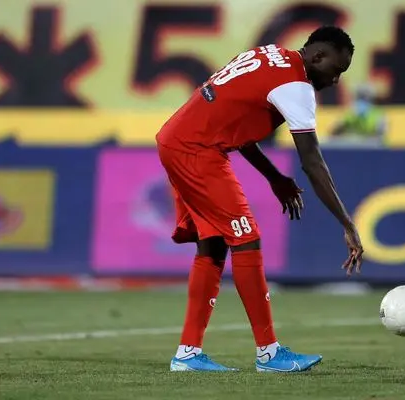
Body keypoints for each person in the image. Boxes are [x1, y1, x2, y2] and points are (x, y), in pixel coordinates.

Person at [155, 26, 364, 373]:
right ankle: (269, 353)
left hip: (181, 140)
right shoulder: (296, 86)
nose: (336, 80)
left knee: (214, 244)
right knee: (246, 238)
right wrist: (347, 223)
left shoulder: (270, 54)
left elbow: (237, 122)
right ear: (318, 56)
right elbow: (313, 162)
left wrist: (274, 178)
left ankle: (188, 354)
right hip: (197, 150)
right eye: (337, 70)